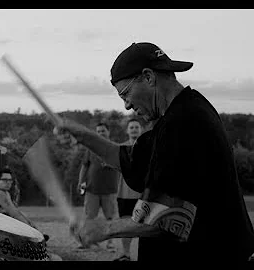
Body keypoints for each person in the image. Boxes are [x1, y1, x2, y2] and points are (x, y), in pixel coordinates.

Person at [53, 42, 254, 261]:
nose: (127, 106)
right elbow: (129, 160)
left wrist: (104, 229)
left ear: (148, 77)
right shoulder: (182, 113)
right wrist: (80, 134)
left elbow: (168, 220)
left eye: (125, 94)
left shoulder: (183, 123)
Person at [77, 123, 119, 251]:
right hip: (92, 189)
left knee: (110, 217)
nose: (101, 133)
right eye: (98, 131)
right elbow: (84, 166)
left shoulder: (115, 148)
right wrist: (80, 182)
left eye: (103, 131)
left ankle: (110, 243)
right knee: (89, 217)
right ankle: (85, 241)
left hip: (110, 190)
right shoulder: (91, 148)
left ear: (108, 132)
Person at [0, 167, 50, 241]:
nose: (8, 183)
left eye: (10, 180)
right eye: (5, 180)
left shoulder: (4, 192)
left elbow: (16, 211)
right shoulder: (0, 194)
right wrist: (33, 231)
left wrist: (33, 228)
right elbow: (14, 214)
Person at [113, 118, 143, 261]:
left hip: (143, 195)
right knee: (125, 225)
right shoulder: (121, 148)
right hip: (124, 193)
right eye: (131, 127)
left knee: (144, 226)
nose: (134, 129)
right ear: (127, 130)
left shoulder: (148, 148)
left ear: (141, 129)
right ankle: (126, 253)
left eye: (136, 127)